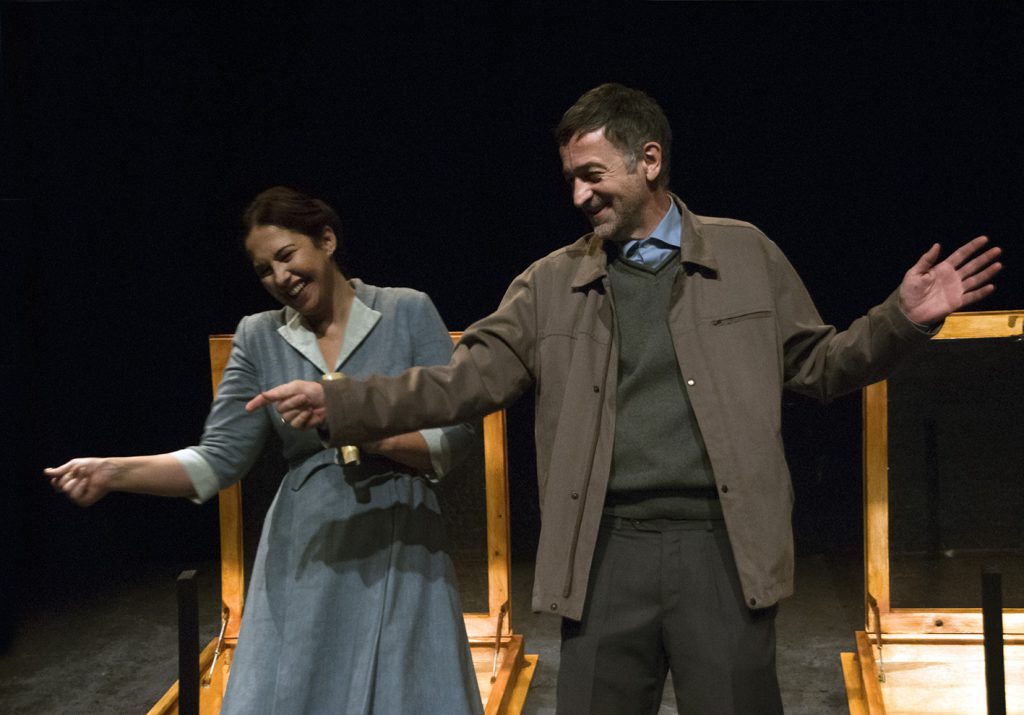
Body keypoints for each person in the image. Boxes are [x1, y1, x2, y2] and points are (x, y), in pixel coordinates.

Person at [247, 85, 1004, 714]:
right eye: (571, 179)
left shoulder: (745, 253)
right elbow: (459, 380)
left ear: (649, 160)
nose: (579, 195)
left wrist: (901, 320)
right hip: (604, 552)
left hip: (721, 550)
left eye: (592, 174)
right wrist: (342, 403)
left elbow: (821, 365)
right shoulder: (550, 283)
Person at [45, 187, 483, 714]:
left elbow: (456, 436)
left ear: (326, 240)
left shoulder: (406, 311)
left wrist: (359, 427)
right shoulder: (259, 337)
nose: (280, 277)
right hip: (310, 543)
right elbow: (217, 460)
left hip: (402, 533)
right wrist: (114, 472)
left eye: (286, 255)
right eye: (264, 270)